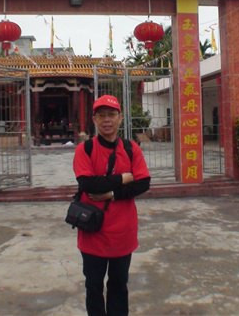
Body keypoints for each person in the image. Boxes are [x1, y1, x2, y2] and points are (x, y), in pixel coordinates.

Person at [73, 95, 151, 316]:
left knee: (118, 286)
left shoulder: (131, 148)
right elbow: (88, 184)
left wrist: (111, 193)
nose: (107, 120)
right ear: (94, 120)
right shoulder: (85, 149)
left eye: (111, 115)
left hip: (122, 233)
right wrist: (123, 178)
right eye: (101, 115)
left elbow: (143, 182)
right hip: (92, 234)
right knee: (93, 287)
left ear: (120, 118)